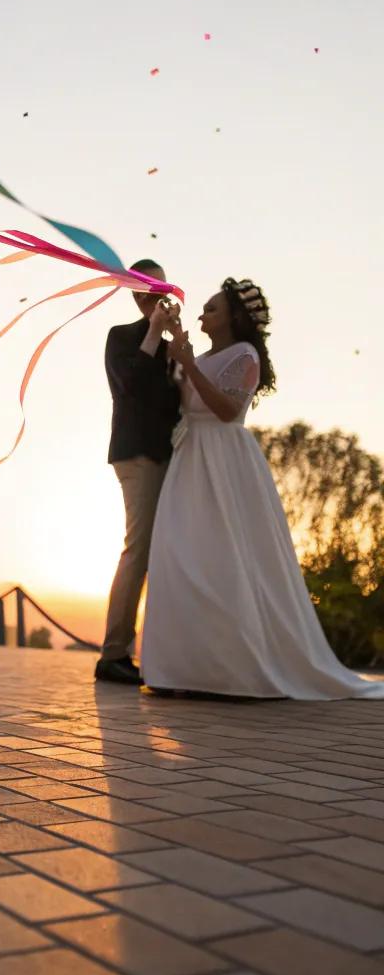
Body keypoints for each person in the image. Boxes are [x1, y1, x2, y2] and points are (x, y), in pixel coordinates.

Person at [143, 279, 384, 700]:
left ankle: (235, 673)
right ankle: (185, 670)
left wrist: (189, 365)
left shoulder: (245, 355)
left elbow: (227, 410)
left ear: (234, 317)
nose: (202, 314)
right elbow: (186, 399)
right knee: (182, 554)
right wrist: (178, 345)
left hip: (225, 458)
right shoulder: (202, 354)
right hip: (190, 457)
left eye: (211, 309)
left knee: (224, 558)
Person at [96, 260, 181, 685]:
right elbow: (129, 386)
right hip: (136, 455)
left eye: (160, 286)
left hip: (170, 456)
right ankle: (113, 653)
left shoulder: (169, 348)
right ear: (134, 292)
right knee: (139, 548)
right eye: (147, 286)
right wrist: (153, 331)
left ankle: (163, 651)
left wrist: (177, 343)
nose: (154, 293)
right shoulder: (122, 337)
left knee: (166, 552)